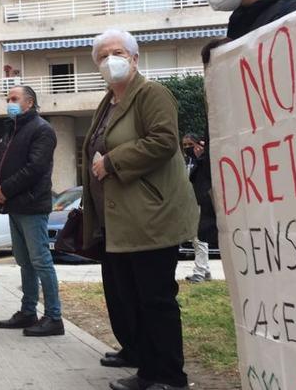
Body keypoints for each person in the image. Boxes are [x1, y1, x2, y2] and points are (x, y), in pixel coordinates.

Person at [81, 29, 199, 390]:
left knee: (156, 299)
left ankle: (169, 377)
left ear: (134, 57)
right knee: (132, 300)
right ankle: (147, 371)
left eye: (117, 52)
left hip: (151, 216)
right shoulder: (109, 102)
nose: (110, 60)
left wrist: (113, 162)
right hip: (118, 221)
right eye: (102, 56)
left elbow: (164, 140)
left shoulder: (152, 93)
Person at [0, 86, 64, 337]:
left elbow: (35, 168)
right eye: (7, 99)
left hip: (32, 205)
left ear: (29, 103)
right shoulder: (13, 129)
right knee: (24, 262)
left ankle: (54, 317)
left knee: (41, 261)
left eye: (14, 99)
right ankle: (28, 311)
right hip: (15, 206)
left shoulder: (42, 129)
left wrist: (5, 190)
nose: (9, 102)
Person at [184, 137, 216, 284]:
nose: (187, 148)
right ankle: (205, 269)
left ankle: (200, 272)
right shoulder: (186, 161)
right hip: (190, 202)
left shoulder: (203, 160)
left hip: (201, 201)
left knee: (199, 238)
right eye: (184, 145)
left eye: (190, 144)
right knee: (194, 238)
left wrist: (202, 157)